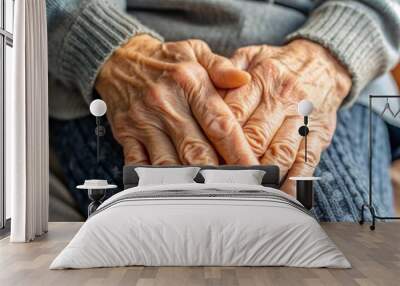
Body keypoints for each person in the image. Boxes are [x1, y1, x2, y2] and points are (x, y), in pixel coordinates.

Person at [47, 0, 400, 221]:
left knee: (327, 229)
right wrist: (107, 48)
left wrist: (328, 58)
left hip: (323, 64)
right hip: (128, 67)